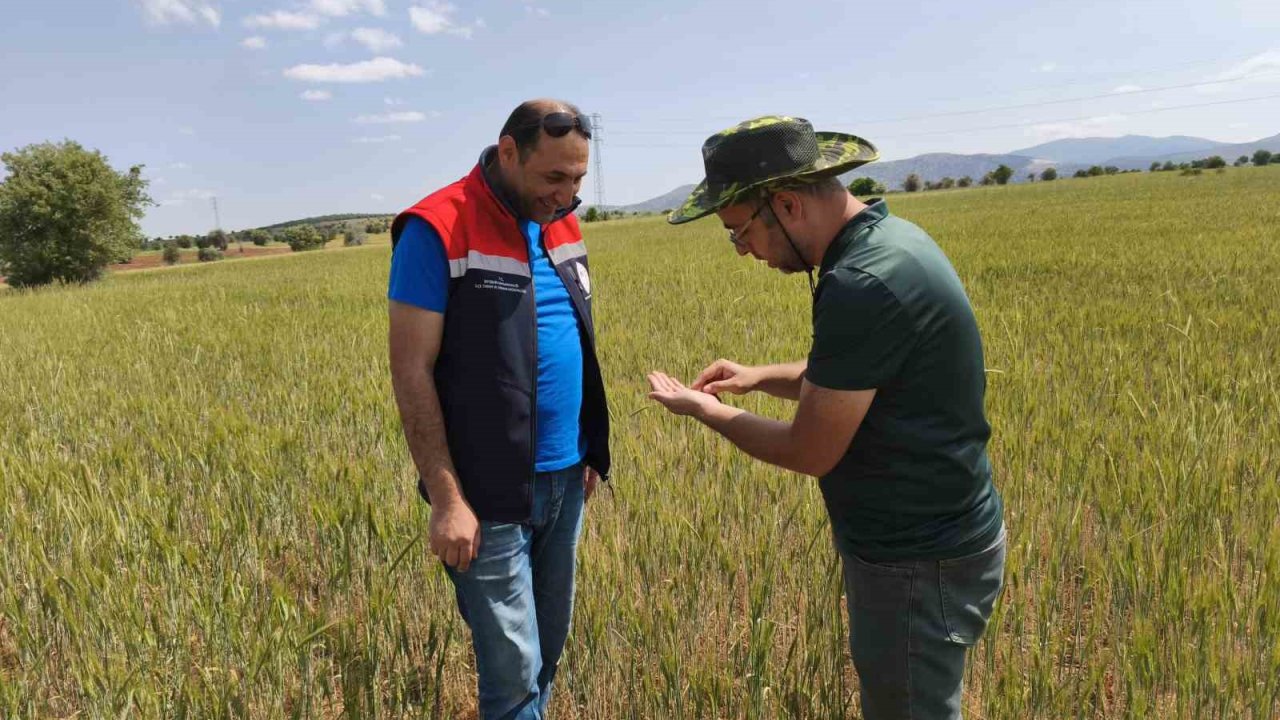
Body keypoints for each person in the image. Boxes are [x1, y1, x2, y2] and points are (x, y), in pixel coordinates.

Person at [646, 115, 1005, 720]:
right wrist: (759, 375)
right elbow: (855, 380)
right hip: (942, 539)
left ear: (785, 205)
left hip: (917, 559)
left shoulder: (861, 282)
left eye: (739, 233)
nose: (743, 252)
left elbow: (811, 451)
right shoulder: (890, 241)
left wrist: (707, 409)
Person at [387, 98, 610, 720]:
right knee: (512, 674)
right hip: (484, 494)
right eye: (553, 178)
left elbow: (574, 335)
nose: (566, 195)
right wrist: (446, 497)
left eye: (577, 180)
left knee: (548, 653)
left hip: (566, 478)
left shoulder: (560, 221)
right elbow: (411, 370)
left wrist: (590, 447)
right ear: (508, 152)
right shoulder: (436, 227)